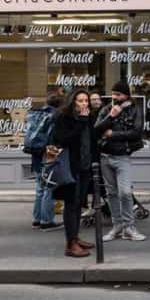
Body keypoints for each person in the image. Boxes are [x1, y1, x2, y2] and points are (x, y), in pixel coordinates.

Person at [93, 83, 148, 242]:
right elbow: (96, 130)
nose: (114, 97)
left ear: (126, 95)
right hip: (105, 156)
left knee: (125, 192)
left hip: (123, 156)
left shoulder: (135, 110)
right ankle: (117, 226)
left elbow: (137, 133)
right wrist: (111, 116)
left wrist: (112, 134)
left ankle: (129, 227)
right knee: (111, 193)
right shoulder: (106, 109)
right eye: (113, 94)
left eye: (118, 94)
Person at [50, 90, 99, 257]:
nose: (84, 104)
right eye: (80, 101)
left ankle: (75, 238)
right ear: (73, 102)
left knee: (79, 204)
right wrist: (82, 123)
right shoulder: (63, 117)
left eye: (86, 101)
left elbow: (91, 141)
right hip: (70, 166)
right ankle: (70, 244)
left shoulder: (88, 117)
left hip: (85, 166)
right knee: (71, 204)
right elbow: (62, 140)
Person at [25, 93, 62, 231]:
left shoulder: (35, 113)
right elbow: (54, 137)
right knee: (49, 187)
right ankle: (47, 221)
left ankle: (37, 220)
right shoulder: (55, 116)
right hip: (48, 154)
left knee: (40, 188)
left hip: (35, 154)